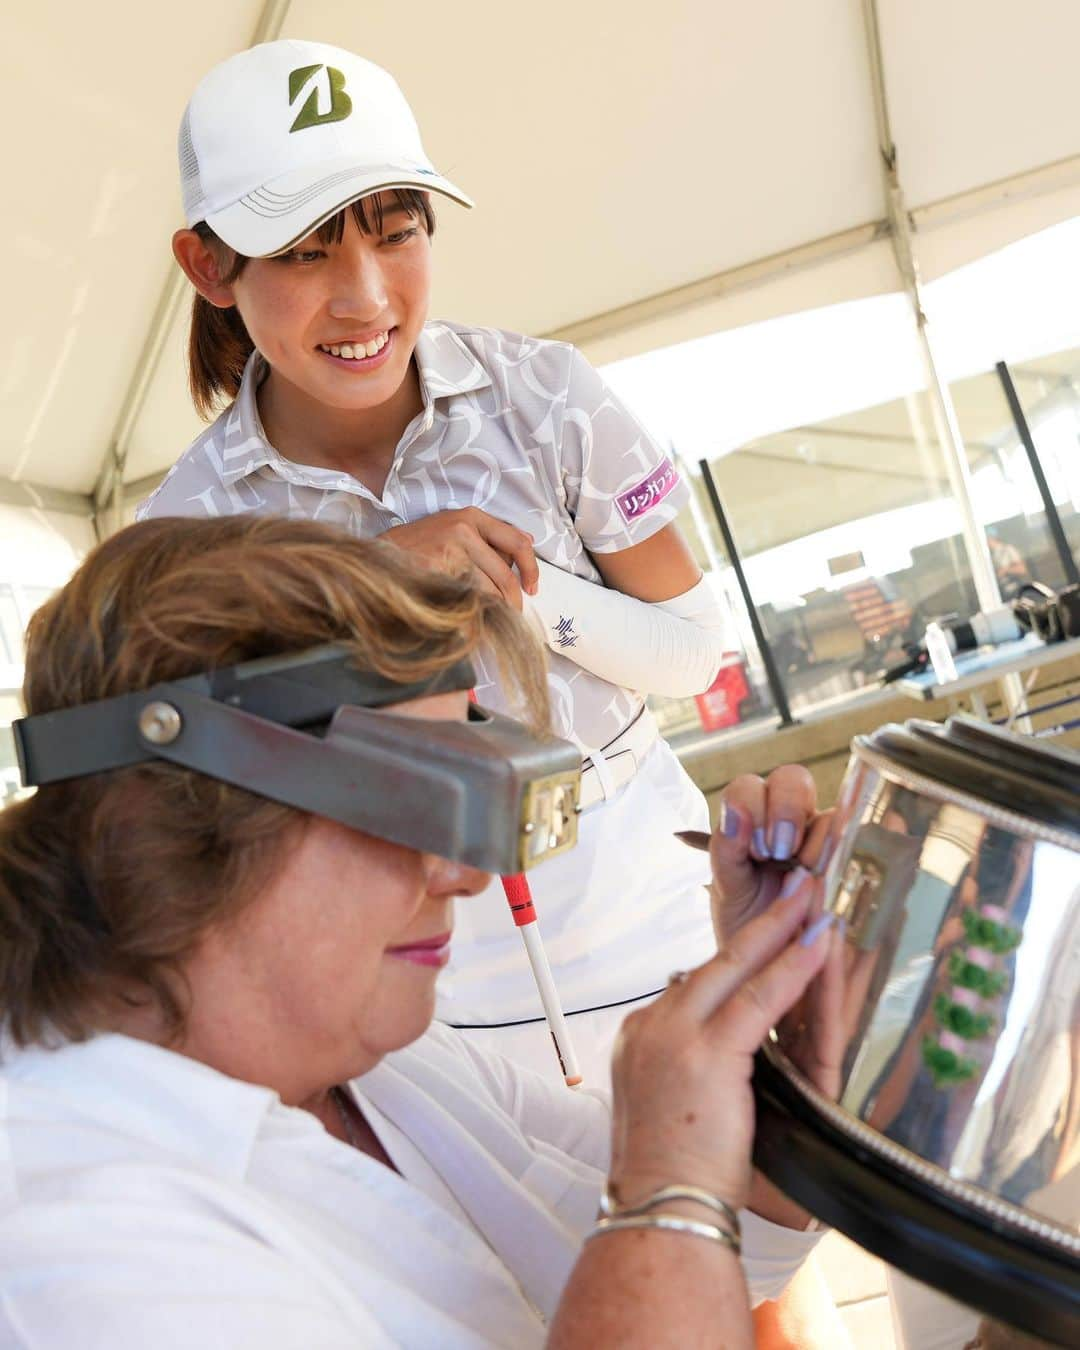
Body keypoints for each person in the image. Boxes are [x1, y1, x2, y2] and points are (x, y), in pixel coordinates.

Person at [139, 41, 846, 1343]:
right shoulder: (187, 525)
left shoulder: (546, 397)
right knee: (562, 1297)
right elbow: (200, 791)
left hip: (651, 915)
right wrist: (366, 585)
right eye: (301, 249)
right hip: (434, 1000)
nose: (363, 294)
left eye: (395, 229)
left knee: (760, 1271)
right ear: (210, 267)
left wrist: (532, 603)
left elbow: (697, 649)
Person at [0, 514, 839, 1348]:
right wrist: (669, 1186)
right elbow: (667, 1231)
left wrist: (781, 1027)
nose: (463, 872)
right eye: (402, 800)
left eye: (464, 792)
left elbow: (708, 1257)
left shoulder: (382, 1062)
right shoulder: (75, 1244)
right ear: (173, 835)